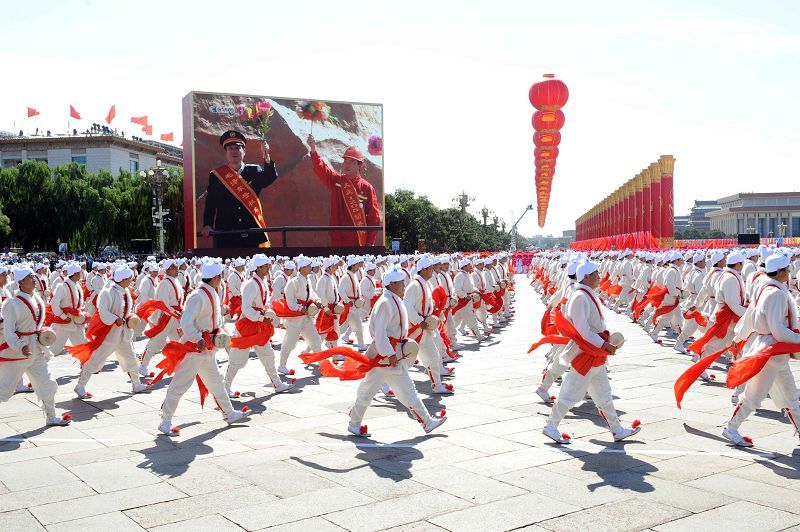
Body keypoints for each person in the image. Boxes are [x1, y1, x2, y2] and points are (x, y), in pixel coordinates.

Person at [542, 261, 641, 444]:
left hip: (594, 352)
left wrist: (603, 344)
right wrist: (603, 345)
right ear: (586, 277)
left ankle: (617, 429)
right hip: (585, 353)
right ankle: (551, 426)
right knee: (569, 394)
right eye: (595, 273)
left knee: (604, 394)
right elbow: (582, 330)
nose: (599, 276)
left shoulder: (586, 294)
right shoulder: (580, 296)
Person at [347, 268, 447, 437]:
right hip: (383, 356)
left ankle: (427, 422)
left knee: (405, 390)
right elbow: (379, 333)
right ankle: (354, 423)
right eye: (400, 282)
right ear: (392, 284)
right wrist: (389, 354)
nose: (403, 285)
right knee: (369, 391)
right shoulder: (385, 302)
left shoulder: (393, 299)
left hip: (392, 354)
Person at [159, 261, 251, 434]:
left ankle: (229, 413)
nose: (222, 278)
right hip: (194, 350)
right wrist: (197, 337)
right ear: (216, 277)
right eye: (220, 275)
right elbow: (186, 322)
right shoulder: (198, 296)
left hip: (207, 349)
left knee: (216, 382)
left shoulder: (211, 293)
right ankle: (165, 421)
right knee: (179, 385)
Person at [723, 253, 800, 447]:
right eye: (787, 270)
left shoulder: (765, 286)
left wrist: (740, 335)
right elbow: (777, 328)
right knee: (753, 396)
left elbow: (751, 314)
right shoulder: (774, 293)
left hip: (772, 350)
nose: (790, 273)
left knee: (790, 395)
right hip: (769, 350)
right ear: (781, 271)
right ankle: (731, 428)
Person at [0, 267, 71, 426]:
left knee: (47, 383)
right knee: (4, 390)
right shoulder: (12, 304)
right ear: (21, 282)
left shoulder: (37, 299)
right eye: (29, 277)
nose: (34, 279)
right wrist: (20, 346)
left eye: (33, 276)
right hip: (16, 354)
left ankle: (51, 417)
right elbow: (9, 331)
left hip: (36, 350)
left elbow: (35, 325)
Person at [71, 267, 148, 398]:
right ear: (123, 279)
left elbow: (126, 311)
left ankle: (136, 384)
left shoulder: (125, 292)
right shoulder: (108, 292)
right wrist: (115, 319)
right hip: (109, 336)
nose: (131, 281)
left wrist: (129, 318)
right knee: (95, 361)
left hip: (122, 335)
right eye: (129, 279)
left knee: (131, 359)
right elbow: (103, 312)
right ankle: (80, 386)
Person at [225, 255, 294, 396]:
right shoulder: (251, 284)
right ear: (259, 268)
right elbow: (246, 308)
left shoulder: (261, 282)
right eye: (266, 266)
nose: (269, 268)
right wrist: (261, 317)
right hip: (247, 326)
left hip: (259, 326)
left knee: (268, 356)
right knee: (238, 360)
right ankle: (225, 387)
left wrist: (266, 313)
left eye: (269, 265)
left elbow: (262, 304)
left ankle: (277, 383)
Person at [201, 130, 278, 248]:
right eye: (230, 148)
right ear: (225, 152)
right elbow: (211, 202)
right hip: (226, 233)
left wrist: (266, 155)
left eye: (237, 148)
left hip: (251, 232)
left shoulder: (254, 170)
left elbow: (269, 177)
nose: (234, 151)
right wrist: (207, 224)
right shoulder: (217, 176)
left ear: (244, 151)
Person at [307, 134, 381, 247]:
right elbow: (321, 169)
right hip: (337, 239)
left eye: (351, 161)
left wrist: (370, 242)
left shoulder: (367, 188)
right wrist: (313, 149)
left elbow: (374, 218)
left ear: (359, 165)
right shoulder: (337, 181)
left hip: (359, 241)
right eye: (345, 161)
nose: (347, 165)